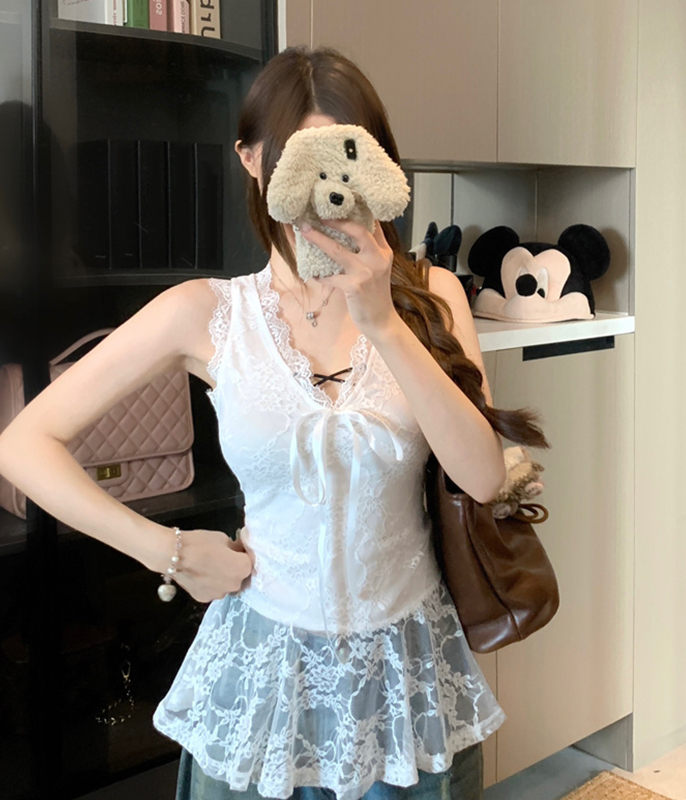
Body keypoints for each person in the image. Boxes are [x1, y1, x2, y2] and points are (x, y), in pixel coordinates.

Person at [0, 46, 548, 800]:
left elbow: (483, 478)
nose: (329, 190)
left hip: (404, 682)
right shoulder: (209, 312)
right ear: (253, 161)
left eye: (349, 155)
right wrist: (167, 550)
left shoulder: (434, 297)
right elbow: (23, 444)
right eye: (302, 158)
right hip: (261, 680)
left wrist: (383, 321)